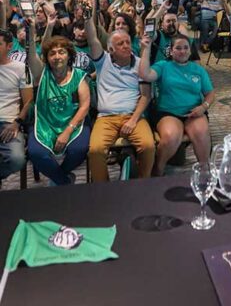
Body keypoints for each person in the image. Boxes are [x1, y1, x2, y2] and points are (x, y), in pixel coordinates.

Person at [85, 12, 155, 182]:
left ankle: (142, 183)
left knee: (148, 146)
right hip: (106, 118)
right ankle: (104, 188)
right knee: (95, 150)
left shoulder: (140, 64)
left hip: (133, 117)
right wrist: (87, 18)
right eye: (120, 44)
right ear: (111, 49)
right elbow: (92, 40)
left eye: (128, 42)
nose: (126, 46)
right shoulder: (102, 61)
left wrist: (133, 120)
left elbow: (146, 96)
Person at [139, 34, 215, 175]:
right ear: (171, 51)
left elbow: (210, 93)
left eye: (185, 48)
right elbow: (145, 75)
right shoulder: (163, 66)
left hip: (194, 112)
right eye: (178, 48)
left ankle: (205, 172)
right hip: (168, 112)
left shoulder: (198, 70)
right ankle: (158, 169)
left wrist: (203, 107)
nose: (182, 51)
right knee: (171, 136)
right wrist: (146, 49)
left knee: (202, 133)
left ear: (190, 51)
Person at [26, 22, 91, 185]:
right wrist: (31, 31)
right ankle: (64, 182)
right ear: (47, 58)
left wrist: (68, 131)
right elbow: (32, 56)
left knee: (78, 150)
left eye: (61, 52)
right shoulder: (41, 74)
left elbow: (84, 107)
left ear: (69, 55)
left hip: (73, 123)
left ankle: (57, 179)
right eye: (52, 53)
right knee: (36, 153)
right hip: (45, 124)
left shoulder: (79, 76)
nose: (57, 57)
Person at [0, 29, 33, 185]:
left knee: (17, 159)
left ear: (9, 46)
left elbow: (28, 101)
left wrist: (17, 123)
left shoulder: (21, 68)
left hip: (9, 123)